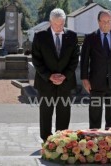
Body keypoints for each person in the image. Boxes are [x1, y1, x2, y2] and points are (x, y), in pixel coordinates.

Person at [32, 8, 79, 142]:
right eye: (56, 24)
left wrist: (65, 76)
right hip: (45, 82)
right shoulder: (40, 36)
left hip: (65, 82)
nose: (59, 27)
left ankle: (62, 140)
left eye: (62, 24)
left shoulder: (72, 36)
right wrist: (49, 76)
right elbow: (36, 59)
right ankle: (47, 142)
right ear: (50, 22)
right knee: (46, 113)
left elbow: (75, 59)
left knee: (64, 113)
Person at [80, 9, 111, 130]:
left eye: (108, 21)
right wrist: (84, 78)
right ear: (98, 21)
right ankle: (94, 142)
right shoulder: (90, 38)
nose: (106, 24)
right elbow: (84, 60)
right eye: (103, 21)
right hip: (95, 83)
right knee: (95, 115)